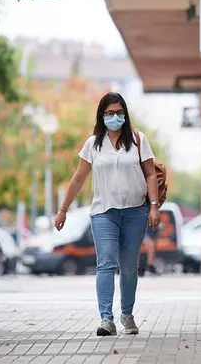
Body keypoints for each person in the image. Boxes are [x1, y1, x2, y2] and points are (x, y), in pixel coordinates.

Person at [54, 92, 161, 336]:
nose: (115, 117)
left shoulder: (137, 139)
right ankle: (106, 319)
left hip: (135, 212)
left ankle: (127, 314)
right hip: (104, 213)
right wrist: (63, 210)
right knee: (105, 264)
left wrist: (153, 205)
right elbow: (79, 178)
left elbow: (151, 173)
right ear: (102, 116)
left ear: (126, 114)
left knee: (129, 267)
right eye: (110, 113)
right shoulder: (93, 144)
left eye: (119, 112)